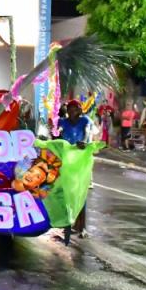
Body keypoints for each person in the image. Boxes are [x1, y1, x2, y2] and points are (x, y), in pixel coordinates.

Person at [58, 100, 91, 240]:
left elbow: (87, 133)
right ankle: (68, 225)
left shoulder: (85, 121)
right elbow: (57, 135)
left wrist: (83, 141)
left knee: (80, 193)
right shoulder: (62, 122)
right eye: (70, 109)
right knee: (66, 193)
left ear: (79, 110)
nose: (72, 111)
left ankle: (82, 227)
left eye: (75, 109)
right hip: (66, 160)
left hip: (79, 160)